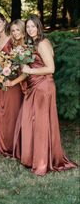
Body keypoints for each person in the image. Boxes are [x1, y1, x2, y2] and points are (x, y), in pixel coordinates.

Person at [13, 14, 77, 176]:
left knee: (41, 123)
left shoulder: (42, 43)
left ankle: (42, 162)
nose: (30, 29)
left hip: (43, 85)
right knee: (30, 121)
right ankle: (32, 157)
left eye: (33, 26)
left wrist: (30, 70)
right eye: (27, 27)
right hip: (34, 85)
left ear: (38, 27)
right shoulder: (31, 43)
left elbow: (51, 68)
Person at [0, 12, 23, 157]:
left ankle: (13, 146)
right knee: (1, 113)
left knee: (12, 113)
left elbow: (20, 59)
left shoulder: (13, 37)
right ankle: (2, 146)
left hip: (13, 82)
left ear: (4, 22)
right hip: (0, 82)